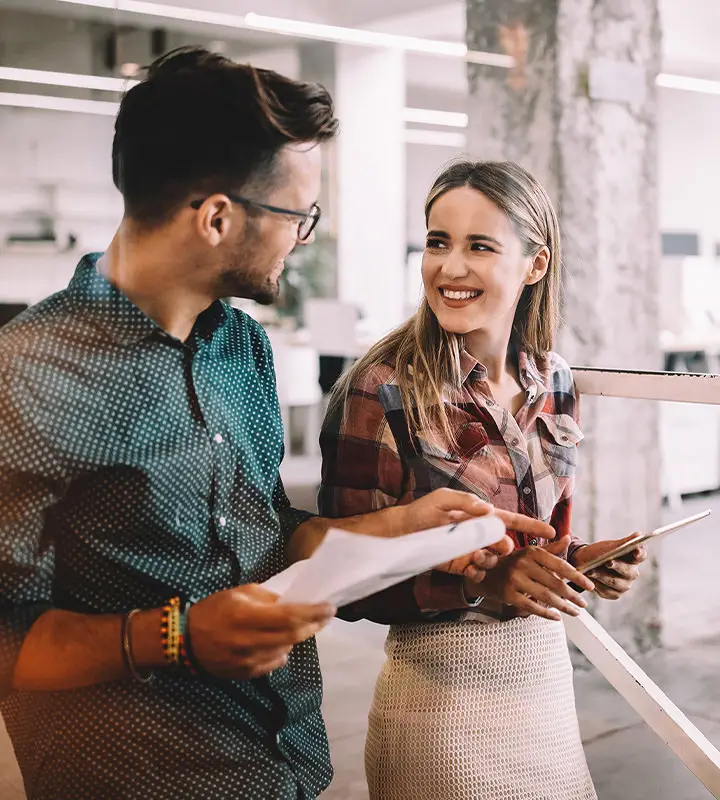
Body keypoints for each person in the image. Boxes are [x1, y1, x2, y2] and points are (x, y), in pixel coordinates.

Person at [0, 51, 553, 800]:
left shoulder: (242, 346)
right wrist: (175, 637)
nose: (307, 238)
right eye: (300, 216)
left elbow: (265, 530)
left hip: (284, 762)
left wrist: (402, 529)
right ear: (218, 217)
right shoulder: (27, 374)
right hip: (139, 778)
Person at [319, 160, 648, 800]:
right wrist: (484, 583)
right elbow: (344, 580)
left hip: (546, 688)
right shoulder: (383, 389)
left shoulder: (553, 381)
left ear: (535, 264)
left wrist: (578, 559)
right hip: (440, 710)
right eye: (437, 242)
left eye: (479, 246)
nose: (449, 267)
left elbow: (540, 539)